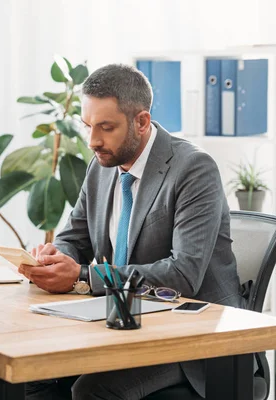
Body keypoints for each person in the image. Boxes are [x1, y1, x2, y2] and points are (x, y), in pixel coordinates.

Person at [20, 64, 244, 400]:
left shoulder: (194, 169)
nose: (93, 141)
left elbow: (183, 274)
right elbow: (74, 235)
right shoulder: (102, 164)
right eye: (88, 127)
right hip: (121, 324)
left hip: (192, 343)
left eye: (106, 128)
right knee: (28, 374)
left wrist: (82, 275)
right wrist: (57, 258)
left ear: (141, 121)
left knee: (92, 389)